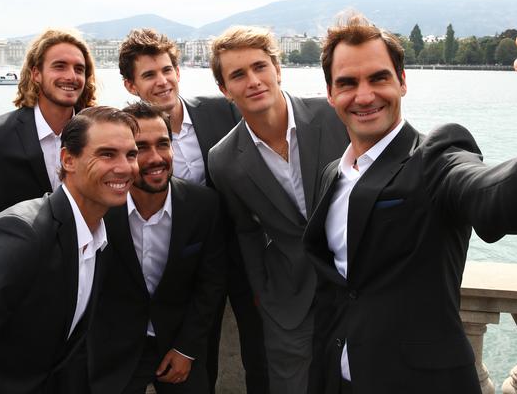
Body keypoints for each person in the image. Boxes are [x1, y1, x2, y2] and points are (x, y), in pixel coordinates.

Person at [302, 8, 517, 394]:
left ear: (402, 82)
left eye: (379, 78)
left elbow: (489, 192)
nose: (365, 95)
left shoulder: (435, 156)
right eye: (348, 82)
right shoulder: (331, 174)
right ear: (330, 93)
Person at [0, 106, 139, 393]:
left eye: (131, 154)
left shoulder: (97, 238)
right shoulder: (19, 232)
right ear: (68, 159)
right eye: (107, 154)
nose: (124, 167)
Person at [118, 28, 267, 393]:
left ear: (178, 71)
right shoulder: (124, 132)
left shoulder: (223, 111)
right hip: (175, 268)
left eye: (167, 70)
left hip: (235, 258)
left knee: (259, 355)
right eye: (149, 74)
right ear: (130, 85)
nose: (162, 81)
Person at [207, 26, 348, 394]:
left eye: (259, 67)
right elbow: (246, 231)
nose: (253, 81)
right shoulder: (223, 160)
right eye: (238, 74)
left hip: (357, 287)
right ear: (225, 90)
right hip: (288, 301)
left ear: (277, 69)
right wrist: (264, 290)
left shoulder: (335, 117)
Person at [88, 101, 226, 394]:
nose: (155, 158)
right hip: (114, 352)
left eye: (163, 144)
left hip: (181, 345)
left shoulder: (204, 206)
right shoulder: (98, 210)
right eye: (140, 149)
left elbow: (211, 283)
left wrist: (187, 348)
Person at [0, 28, 97, 254]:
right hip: (13, 281)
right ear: (36, 73)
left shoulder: (97, 136)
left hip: (84, 279)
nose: (71, 76)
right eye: (59, 66)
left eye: (79, 69)